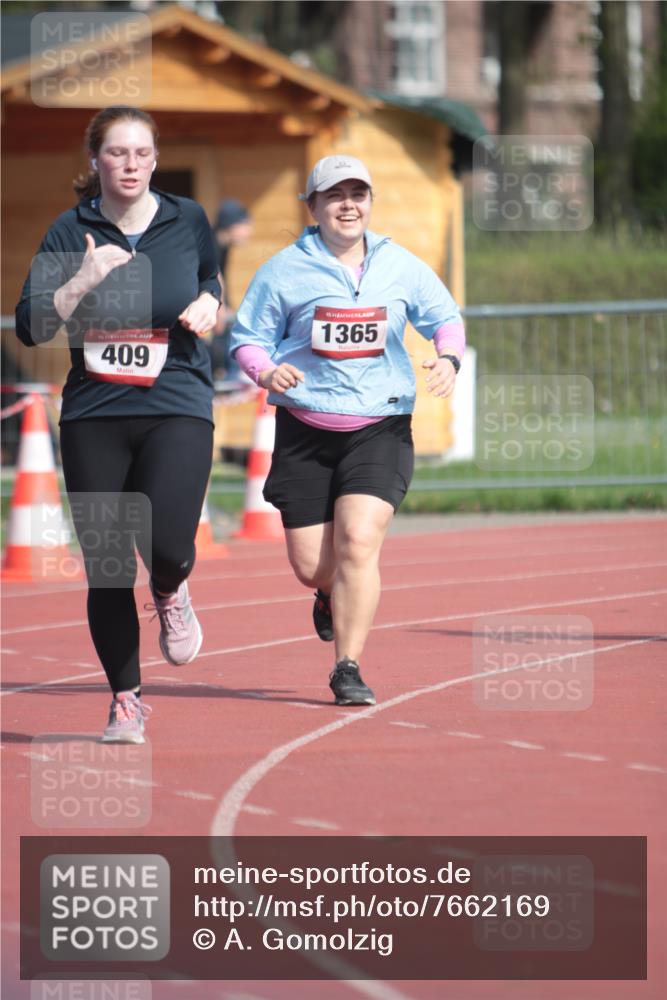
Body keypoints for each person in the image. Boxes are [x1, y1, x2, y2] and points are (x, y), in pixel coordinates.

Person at [15, 106, 220, 743]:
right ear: (95, 161)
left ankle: (170, 587)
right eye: (117, 153)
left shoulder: (186, 219)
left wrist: (213, 301)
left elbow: (211, 275)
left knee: (167, 545)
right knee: (107, 565)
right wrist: (82, 279)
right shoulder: (69, 228)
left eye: (141, 153)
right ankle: (126, 700)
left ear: (155, 160)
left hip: (176, 401)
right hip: (95, 411)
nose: (130, 164)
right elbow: (31, 326)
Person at [229, 154, 465, 706]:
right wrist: (265, 370)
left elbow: (444, 318)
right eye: (335, 195)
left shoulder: (400, 265)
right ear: (312, 206)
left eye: (358, 194)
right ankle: (326, 594)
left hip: (379, 424)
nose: (348, 204)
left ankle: (348, 667)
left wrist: (448, 358)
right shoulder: (283, 270)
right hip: (305, 426)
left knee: (359, 540)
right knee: (314, 565)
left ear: (370, 203)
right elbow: (246, 338)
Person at [208, 199, 253, 381]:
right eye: (245, 225)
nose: (249, 232)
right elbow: (214, 275)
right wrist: (220, 305)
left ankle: (229, 373)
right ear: (231, 225)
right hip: (203, 299)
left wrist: (228, 305)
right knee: (225, 328)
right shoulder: (209, 242)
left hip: (214, 295)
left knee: (231, 321)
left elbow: (222, 277)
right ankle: (227, 375)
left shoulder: (224, 245)